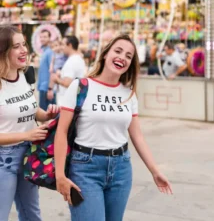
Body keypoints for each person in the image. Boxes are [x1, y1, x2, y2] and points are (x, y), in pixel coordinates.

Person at [54, 34, 172, 221]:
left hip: (121, 169)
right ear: (105, 54)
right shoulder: (80, 87)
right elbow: (61, 131)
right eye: (117, 51)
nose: (122, 57)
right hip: (85, 169)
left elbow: (137, 137)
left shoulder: (129, 94)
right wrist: (59, 175)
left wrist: (155, 171)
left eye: (128, 56)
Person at [0, 25, 59, 221]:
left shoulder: (25, 76)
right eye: (16, 46)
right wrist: (27, 135)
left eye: (24, 44)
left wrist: (48, 115)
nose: (24, 50)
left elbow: (33, 112)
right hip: (4, 160)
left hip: (29, 154)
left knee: (32, 214)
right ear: (3, 51)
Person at [49, 35, 85, 106]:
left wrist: (56, 79)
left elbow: (68, 83)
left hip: (66, 105)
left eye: (63, 44)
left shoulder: (72, 61)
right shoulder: (77, 59)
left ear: (70, 45)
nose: (61, 47)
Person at [37, 29, 56, 110]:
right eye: (41, 37)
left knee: (46, 115)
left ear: (49, 38)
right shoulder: (44, 51)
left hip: (46, 88)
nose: (42, 39)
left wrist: (50, 89)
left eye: (45, 37)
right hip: (42, 87)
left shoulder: (50, 52)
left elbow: (53, 71)